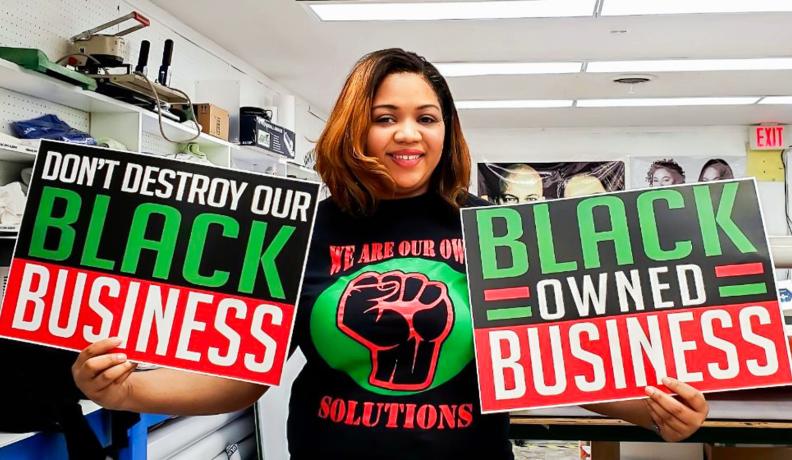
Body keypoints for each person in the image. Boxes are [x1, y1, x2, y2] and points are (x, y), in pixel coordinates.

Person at [72, 49, 709, 460]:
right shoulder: (300, 232)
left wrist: (654, 412)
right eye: (385, 116)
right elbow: (242, 381)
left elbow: (559, 367)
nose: (408, 133)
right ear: (357, 127)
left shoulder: (494, 229)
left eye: (427, 118)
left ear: (446, 132)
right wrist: (128, 389)